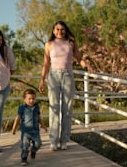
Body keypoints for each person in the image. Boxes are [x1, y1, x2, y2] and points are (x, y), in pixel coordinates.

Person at [38, 21, 93, 151]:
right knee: (54, 108)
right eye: (57, 29)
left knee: (67, 109)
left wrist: (87, 65)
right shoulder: (49, 44)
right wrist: (42, 80)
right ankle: (53, 140)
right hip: (53, 76)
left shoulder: (71, 43)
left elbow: (78, 58)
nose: (59, 31)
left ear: (65, 30)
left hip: (68, 75)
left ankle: (64, 140)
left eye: (62, 29)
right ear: (53, 31)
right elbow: (46, 63)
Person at [12, 89, 47, 166]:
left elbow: (38, 117)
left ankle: (33, 151)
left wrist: (43, 126)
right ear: (24, 99)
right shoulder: (22, 108)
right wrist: (14, 129)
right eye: (29, 99)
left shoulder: (36, 107)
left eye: (33, 98)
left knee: (38, 144)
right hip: (26, 132)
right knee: (25, 146)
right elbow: (17, 118)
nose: (31, 101)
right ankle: (24, 158)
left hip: (35, 131)